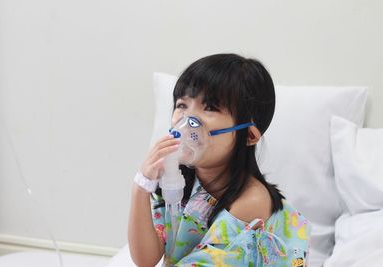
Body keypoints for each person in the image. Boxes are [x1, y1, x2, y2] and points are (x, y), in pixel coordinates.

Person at [128, 53, 312, 267]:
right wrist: (141, 186)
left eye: (210, 108)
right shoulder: (178, 180)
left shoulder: (250, 203)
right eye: (182, 105)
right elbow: (146, 259)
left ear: (249, 136)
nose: (188, 121)